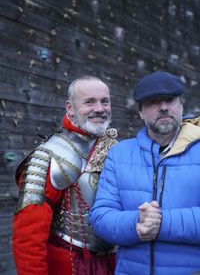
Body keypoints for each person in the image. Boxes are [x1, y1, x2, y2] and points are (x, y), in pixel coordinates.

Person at [90, 71, 200, 275]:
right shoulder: (119, 153)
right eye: (153, 102)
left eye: (170, 100)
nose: (164, 107)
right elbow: (101, 217)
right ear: (140, 112)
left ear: (181, 105)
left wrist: (162, 223)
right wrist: (137, 224)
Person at [13, 76, 118, 275]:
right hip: (69, 265)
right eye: (89, 102)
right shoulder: (49, 156)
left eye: (105, 101)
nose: (99, 108)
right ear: (70, 108)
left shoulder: (117, 150)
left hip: (113, 263)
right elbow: (28, 235)